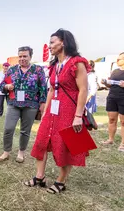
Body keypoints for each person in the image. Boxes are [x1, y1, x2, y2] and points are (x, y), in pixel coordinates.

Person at [25, 29, 90, 194]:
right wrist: (46, 110)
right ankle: (39, 177)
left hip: (69, 110)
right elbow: (50, 90)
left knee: (66, 144)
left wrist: (77, 116)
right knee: (41, 141)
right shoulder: (54, 65)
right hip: (53, 110)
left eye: (52, 42)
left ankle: (61, 181)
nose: (50, 46)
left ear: (63, 42)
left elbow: (83, 90)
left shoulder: (77, 62)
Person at [0, 46, 47, 163]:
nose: (22, 58)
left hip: (31, 105)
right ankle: (6, 152)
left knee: (25, 130)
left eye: (25, 56)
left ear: (30, 57)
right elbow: (2, 85)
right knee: (8, 128)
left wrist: (42, 103)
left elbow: (43, 87)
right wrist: (7, 86)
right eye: (20, 56)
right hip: (13, 103)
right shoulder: (11, 70)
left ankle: (21, 152)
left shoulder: (38, 70)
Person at [101, 52, 124, 151]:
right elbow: (110, 85)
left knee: (123, 122)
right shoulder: (115, 71)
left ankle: (123, 144)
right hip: (112, 97)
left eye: (119, 59)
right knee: (111, 120)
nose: (117, 61)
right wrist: (106, 83)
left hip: (122, 98)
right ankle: (110, 139)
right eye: (117, 59)